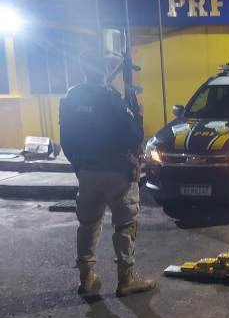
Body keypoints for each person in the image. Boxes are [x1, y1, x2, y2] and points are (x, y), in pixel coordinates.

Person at [59, 50, 156, 298]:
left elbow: (66, 140)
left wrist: (79, 166)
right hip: (116, 172)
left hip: (87, 171)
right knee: (125, 224)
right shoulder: (111, 99)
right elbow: (132, 136)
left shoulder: (70, 98)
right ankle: (126, 279)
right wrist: (139, 116)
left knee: (88, 224)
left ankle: (86, 277)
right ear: (103, 71)